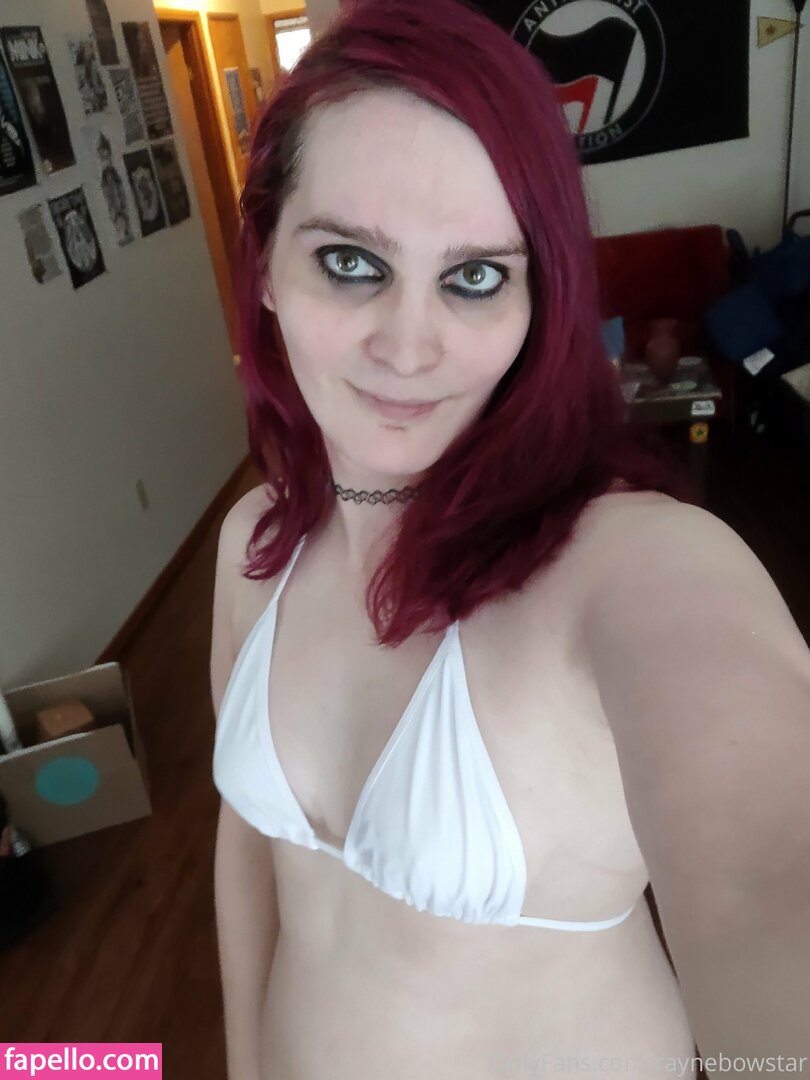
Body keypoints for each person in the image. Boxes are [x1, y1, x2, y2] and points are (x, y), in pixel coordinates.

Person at [210, 1, 810, 1077]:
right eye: (350, 262)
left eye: (475, 276)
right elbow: (249, 849)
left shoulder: (629, 567)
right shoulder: (252, 542)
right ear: (262, 266)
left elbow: (769, 879)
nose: (409, 346)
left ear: (539, 297)